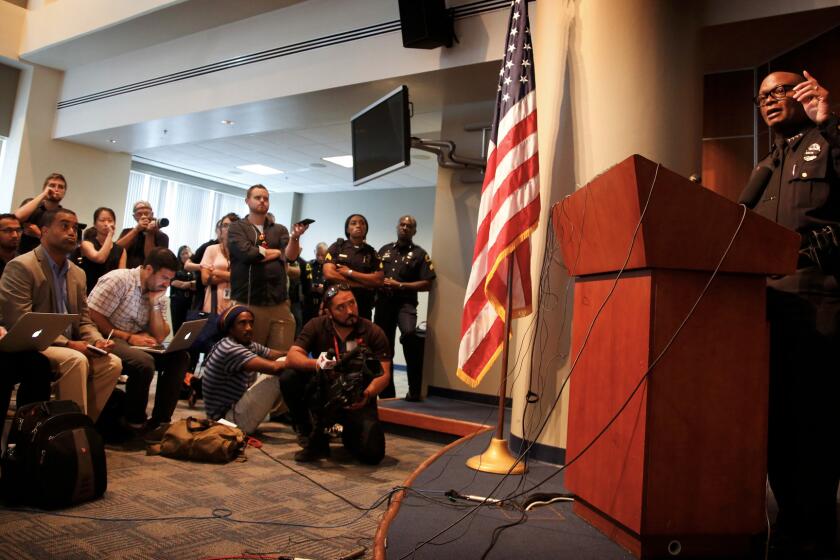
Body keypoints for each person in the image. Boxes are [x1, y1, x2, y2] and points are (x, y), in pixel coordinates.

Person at [740, 70, 840, 558]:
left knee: (815, 426)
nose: (771, 100)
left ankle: (818, 531)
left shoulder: (829, 142)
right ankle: (788, 521)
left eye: (781, 91)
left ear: (805, 95)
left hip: (818, 305)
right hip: (766, 309)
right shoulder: (766, 166)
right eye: (763, 96)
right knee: (776, 422)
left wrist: (832, 122)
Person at [0, 208, 122, 421]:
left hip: (70, 344)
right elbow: (18, 320)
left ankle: (79, 427)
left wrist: (97, 341)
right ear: (44, 231)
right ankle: (69, 431)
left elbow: (84, 320)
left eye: (75, 227)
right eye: (64, 226)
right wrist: (70, 345)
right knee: (75, 360)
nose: (72, 232)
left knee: (112, 363)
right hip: (35, 345)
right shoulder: (22, 266)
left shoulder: (78, 273)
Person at [280, 284, 391, 464]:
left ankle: (345, 433)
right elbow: (291, 358)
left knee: (372, 454)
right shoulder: (316, 325)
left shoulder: (373, 332)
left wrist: (368, 394)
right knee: (289, 377)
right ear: (328, 312)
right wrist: (318, 364)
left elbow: (384, 375)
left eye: (352, 303)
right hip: (323, 394)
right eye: (341, 307)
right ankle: (308, 431)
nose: (350, 310)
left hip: (358, 398)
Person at [87, 247, 188, 433]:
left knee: (179, 356)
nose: (167, 284)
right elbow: (93, 315)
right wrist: (128, 336)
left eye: (170, 280)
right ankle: (134, 421)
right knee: (144, 363)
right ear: (149, 269)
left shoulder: (157, 292)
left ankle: (160, 421)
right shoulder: (119, 280)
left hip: (135, 340)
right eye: (164, 278)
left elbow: (160, 335)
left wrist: (155, 304)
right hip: (107, 336)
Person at [227, 185, 308, 351]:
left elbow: (290, 256)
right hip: (249, 301)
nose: (262, 201)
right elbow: (248, 254)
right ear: (247, 201)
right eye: (258, 197)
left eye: (266, 198)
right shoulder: (237, 228)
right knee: (250, 355)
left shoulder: (279, 230)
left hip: (278, 302)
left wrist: (294, 238)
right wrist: (278, 252)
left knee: (281, 356)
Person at [0, 213, 59, 416]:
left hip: (11, 333)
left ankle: (27, 430)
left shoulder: (21, 263)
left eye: (17, 230)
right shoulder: (21, 265)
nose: (14, 234)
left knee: (39, 364)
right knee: (5, 368)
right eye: (7, 230)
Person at [375, 215, 435, 400]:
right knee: (384, 348)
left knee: (410, 336)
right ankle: (387, 395)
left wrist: (400, 285)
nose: (405, 228)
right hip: (384, 304)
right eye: (402, 224)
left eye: (409, 226)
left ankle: (414, 390)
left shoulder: (419, 254)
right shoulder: (384, 250)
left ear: (414, 231)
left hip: (405, 304)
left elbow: (427, 284)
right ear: (397, 227)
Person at [202, 305, 286, 434]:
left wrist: (299, 351)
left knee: (285, 361)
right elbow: (275, 368)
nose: (249, 328)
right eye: (242, 323)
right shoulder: (230, 348)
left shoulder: (246, 344)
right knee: (278, 372)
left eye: (251, 323)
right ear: (230, 328)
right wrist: (310, 362)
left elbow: (275, 354)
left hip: (233, 412)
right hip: (226, 422)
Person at [323, 214, 383, 320]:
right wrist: (360, 284)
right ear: (347, 229)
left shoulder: (371, 252)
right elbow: (329, 274)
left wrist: (350, 272)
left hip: (363, 305)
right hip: (338, 301)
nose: (358, 225)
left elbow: (378, 280)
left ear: (366, 229)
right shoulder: (337, 247)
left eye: (362, 223)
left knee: (362, 335)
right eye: (353, 223)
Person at [15, 173, 67, 254]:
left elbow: (62, 244)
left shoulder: (64, 216)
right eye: (52, 185)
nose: (56, 189)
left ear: (64, 192)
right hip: (24, 256)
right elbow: (16, 218)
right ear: (44, 189)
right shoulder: (31, 205)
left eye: (60, 187)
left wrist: (39, 235)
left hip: (49, 259)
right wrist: (43, 195)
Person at [78, 207, 126, 294]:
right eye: (102, 220)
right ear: (95, 224)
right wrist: (110, 235)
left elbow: (121, 276)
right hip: (88, 291)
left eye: (110, 220)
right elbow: (100, 258)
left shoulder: (121, 250)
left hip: (110, 293)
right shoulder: (87, 244)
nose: (106, 224)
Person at [200, 214, 238, 316]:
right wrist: (231, 276)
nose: (228, 229)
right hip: (212, 305)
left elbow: (242, 279)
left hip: (235, 306)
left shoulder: (242, 253)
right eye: (225, 225)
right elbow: (205, 279)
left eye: (232, 225)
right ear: (220, 230)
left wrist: (216, 272)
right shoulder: (211, 249)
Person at [116, 200, 169, 269]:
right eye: (139, 214)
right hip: (127, 274)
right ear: (134, 217)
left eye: (146, 213)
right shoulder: (126, 232)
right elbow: (116, 251)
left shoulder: (162, 236)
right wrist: (136, 230)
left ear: (152, 214)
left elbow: (152, 260)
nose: (143, 217)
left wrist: (150, 233)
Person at [169, 245, 196, 335]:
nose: (186, 255)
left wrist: (187, 284)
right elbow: (175, 283)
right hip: (178, 302)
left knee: (189, 329)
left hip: (192, 302)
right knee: (178, 328)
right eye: (183, 253)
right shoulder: (175, 268)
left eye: (187, 252)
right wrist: (191, 284)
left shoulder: (195, 269)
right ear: (179, 256)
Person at [304, 242, 328, 322]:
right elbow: (302, 282)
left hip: (324, 303)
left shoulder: (330, 267)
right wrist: (311, 287)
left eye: (323, 255)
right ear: (315, 252)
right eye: (318, 254)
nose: (320, 258)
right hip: (308, 303)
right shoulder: (308, 265)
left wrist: (324, 289)